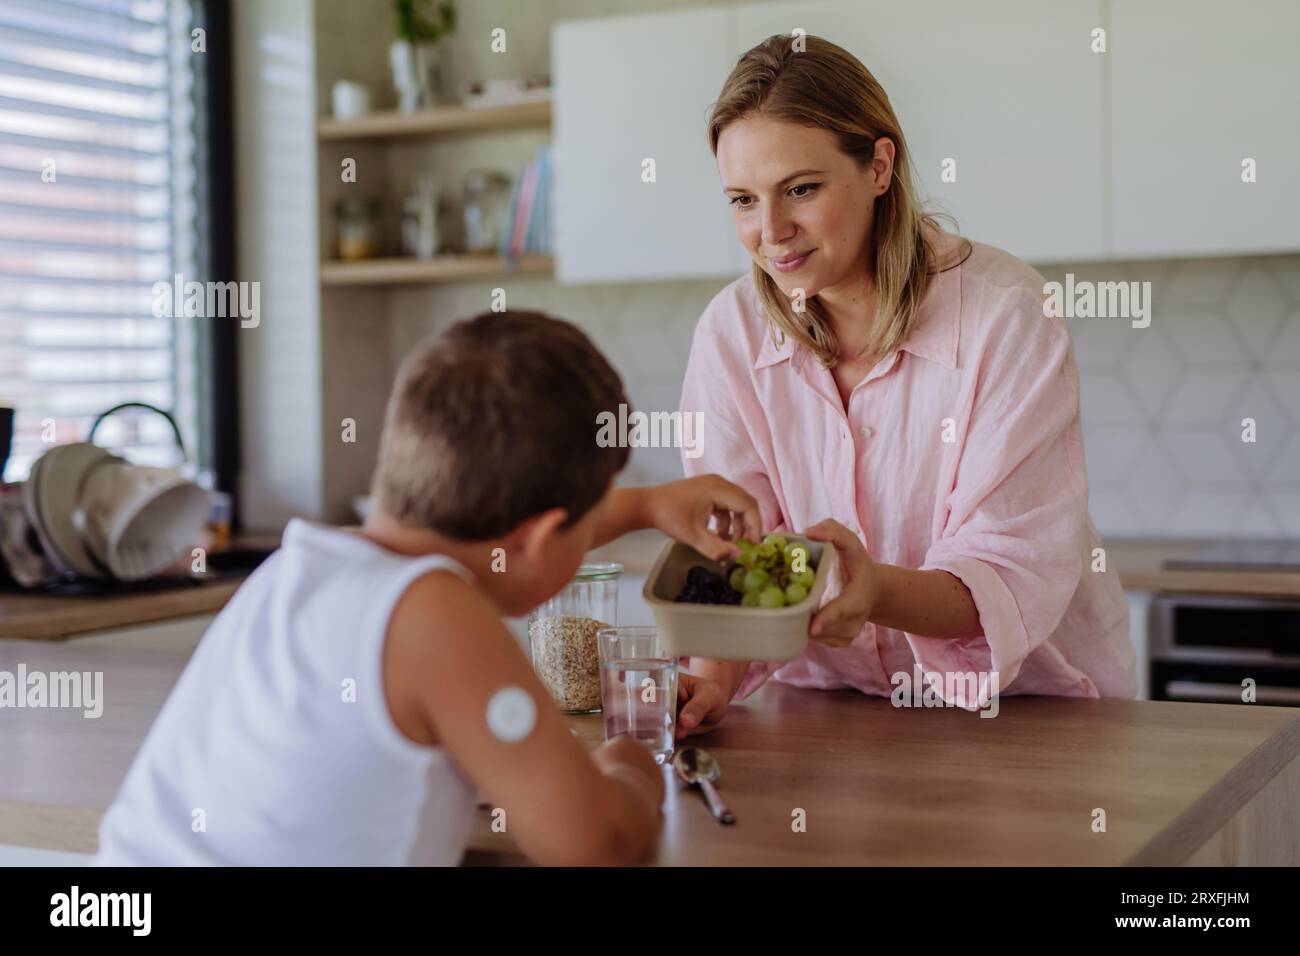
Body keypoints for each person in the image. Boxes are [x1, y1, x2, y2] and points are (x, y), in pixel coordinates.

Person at [95, 310, 761, 866]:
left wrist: (645, 508)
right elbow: (600, 843)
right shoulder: (435, 614)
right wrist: (630, 765)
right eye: (593, 521)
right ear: (541, 534)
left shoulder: (298, 569)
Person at [671, 34, 1136, 736]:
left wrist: (875, 589)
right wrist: (707, 683)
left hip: (1026, 716)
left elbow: (1004, 570)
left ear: (879, 165)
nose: (771, 232)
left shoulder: (1003, 316)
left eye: (801, 189)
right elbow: (740, 561)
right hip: (827, 722)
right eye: (743, 200)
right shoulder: (729, 336)